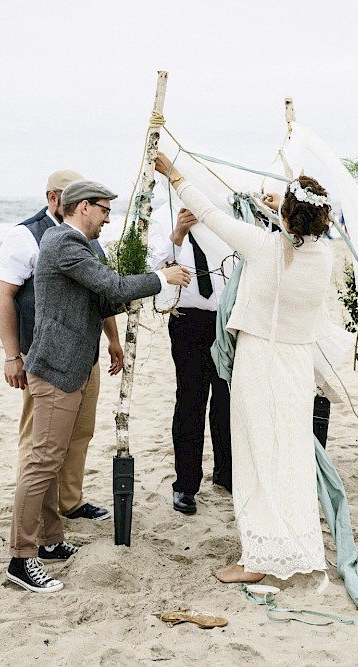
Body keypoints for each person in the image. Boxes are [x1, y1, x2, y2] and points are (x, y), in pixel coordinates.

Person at [155, 151, 334, 585]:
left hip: (261, 360)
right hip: (297, 362)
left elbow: (210, 212)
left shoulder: (265, 246)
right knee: (290, 454)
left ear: (287, 214)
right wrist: (281, 211)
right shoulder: (324, 254)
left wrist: (174, 173)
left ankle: (258, 557)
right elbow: (296, 235)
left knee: (256, 457)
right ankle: (296, 542)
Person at [6, 179, 191, 593]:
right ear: (83, 206)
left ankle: (51, 542)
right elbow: (113, 287)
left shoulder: (77, 245)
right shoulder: (63, 243)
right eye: (105, 210)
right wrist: (163, 278)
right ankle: (21, 558)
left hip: (70, 365)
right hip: (55, 368)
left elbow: (107, 298)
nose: (109, 218)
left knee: (52, 462)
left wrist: (146, 281)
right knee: (42, 463)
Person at [0, 170, 118, 525]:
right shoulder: (25, 235)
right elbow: (4, 297)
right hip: (44, 357)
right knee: (39, 442)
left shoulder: (89, 236)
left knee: (80, 432)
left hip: (85, 353)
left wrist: (111, 338)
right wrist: (11, 355)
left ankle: (70, 500)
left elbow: (100, 290)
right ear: (54, 198)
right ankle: (33, 515)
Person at [149, 207, 232, 515]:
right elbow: (153, 267)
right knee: (190, 401)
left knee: (226, 400)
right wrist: (178, 235)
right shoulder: (161, 215)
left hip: (226, 321)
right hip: (187, 320)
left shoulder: (221, 213)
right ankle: (186, 484)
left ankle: (226, 473)